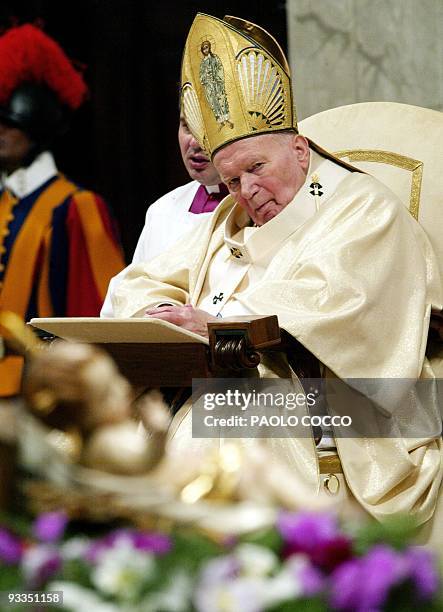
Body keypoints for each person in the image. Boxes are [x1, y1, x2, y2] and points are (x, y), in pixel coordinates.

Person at [110, 14, 443, 535]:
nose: (246, 191)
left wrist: (222, 321)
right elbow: (139, 281)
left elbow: (343, 305)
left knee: (216, 427)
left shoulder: (360, 207)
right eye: (232, 179)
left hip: (348, 406)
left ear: (300, 149)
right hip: (237, 387)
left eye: (257, 168)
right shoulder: (232, 215)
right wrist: (158, 317)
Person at [0, 24, 125, 396]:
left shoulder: (76, 208)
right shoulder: (4, 202)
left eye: (10, 122)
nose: (1, 132)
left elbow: (101, 319)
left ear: (37, 126)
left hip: (43, 395)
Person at [100, 112, 227, 316]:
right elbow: (130, 290)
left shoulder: (260, 206)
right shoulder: (163, 210)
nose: (194, 142)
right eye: (187, 126)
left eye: (208, 127)